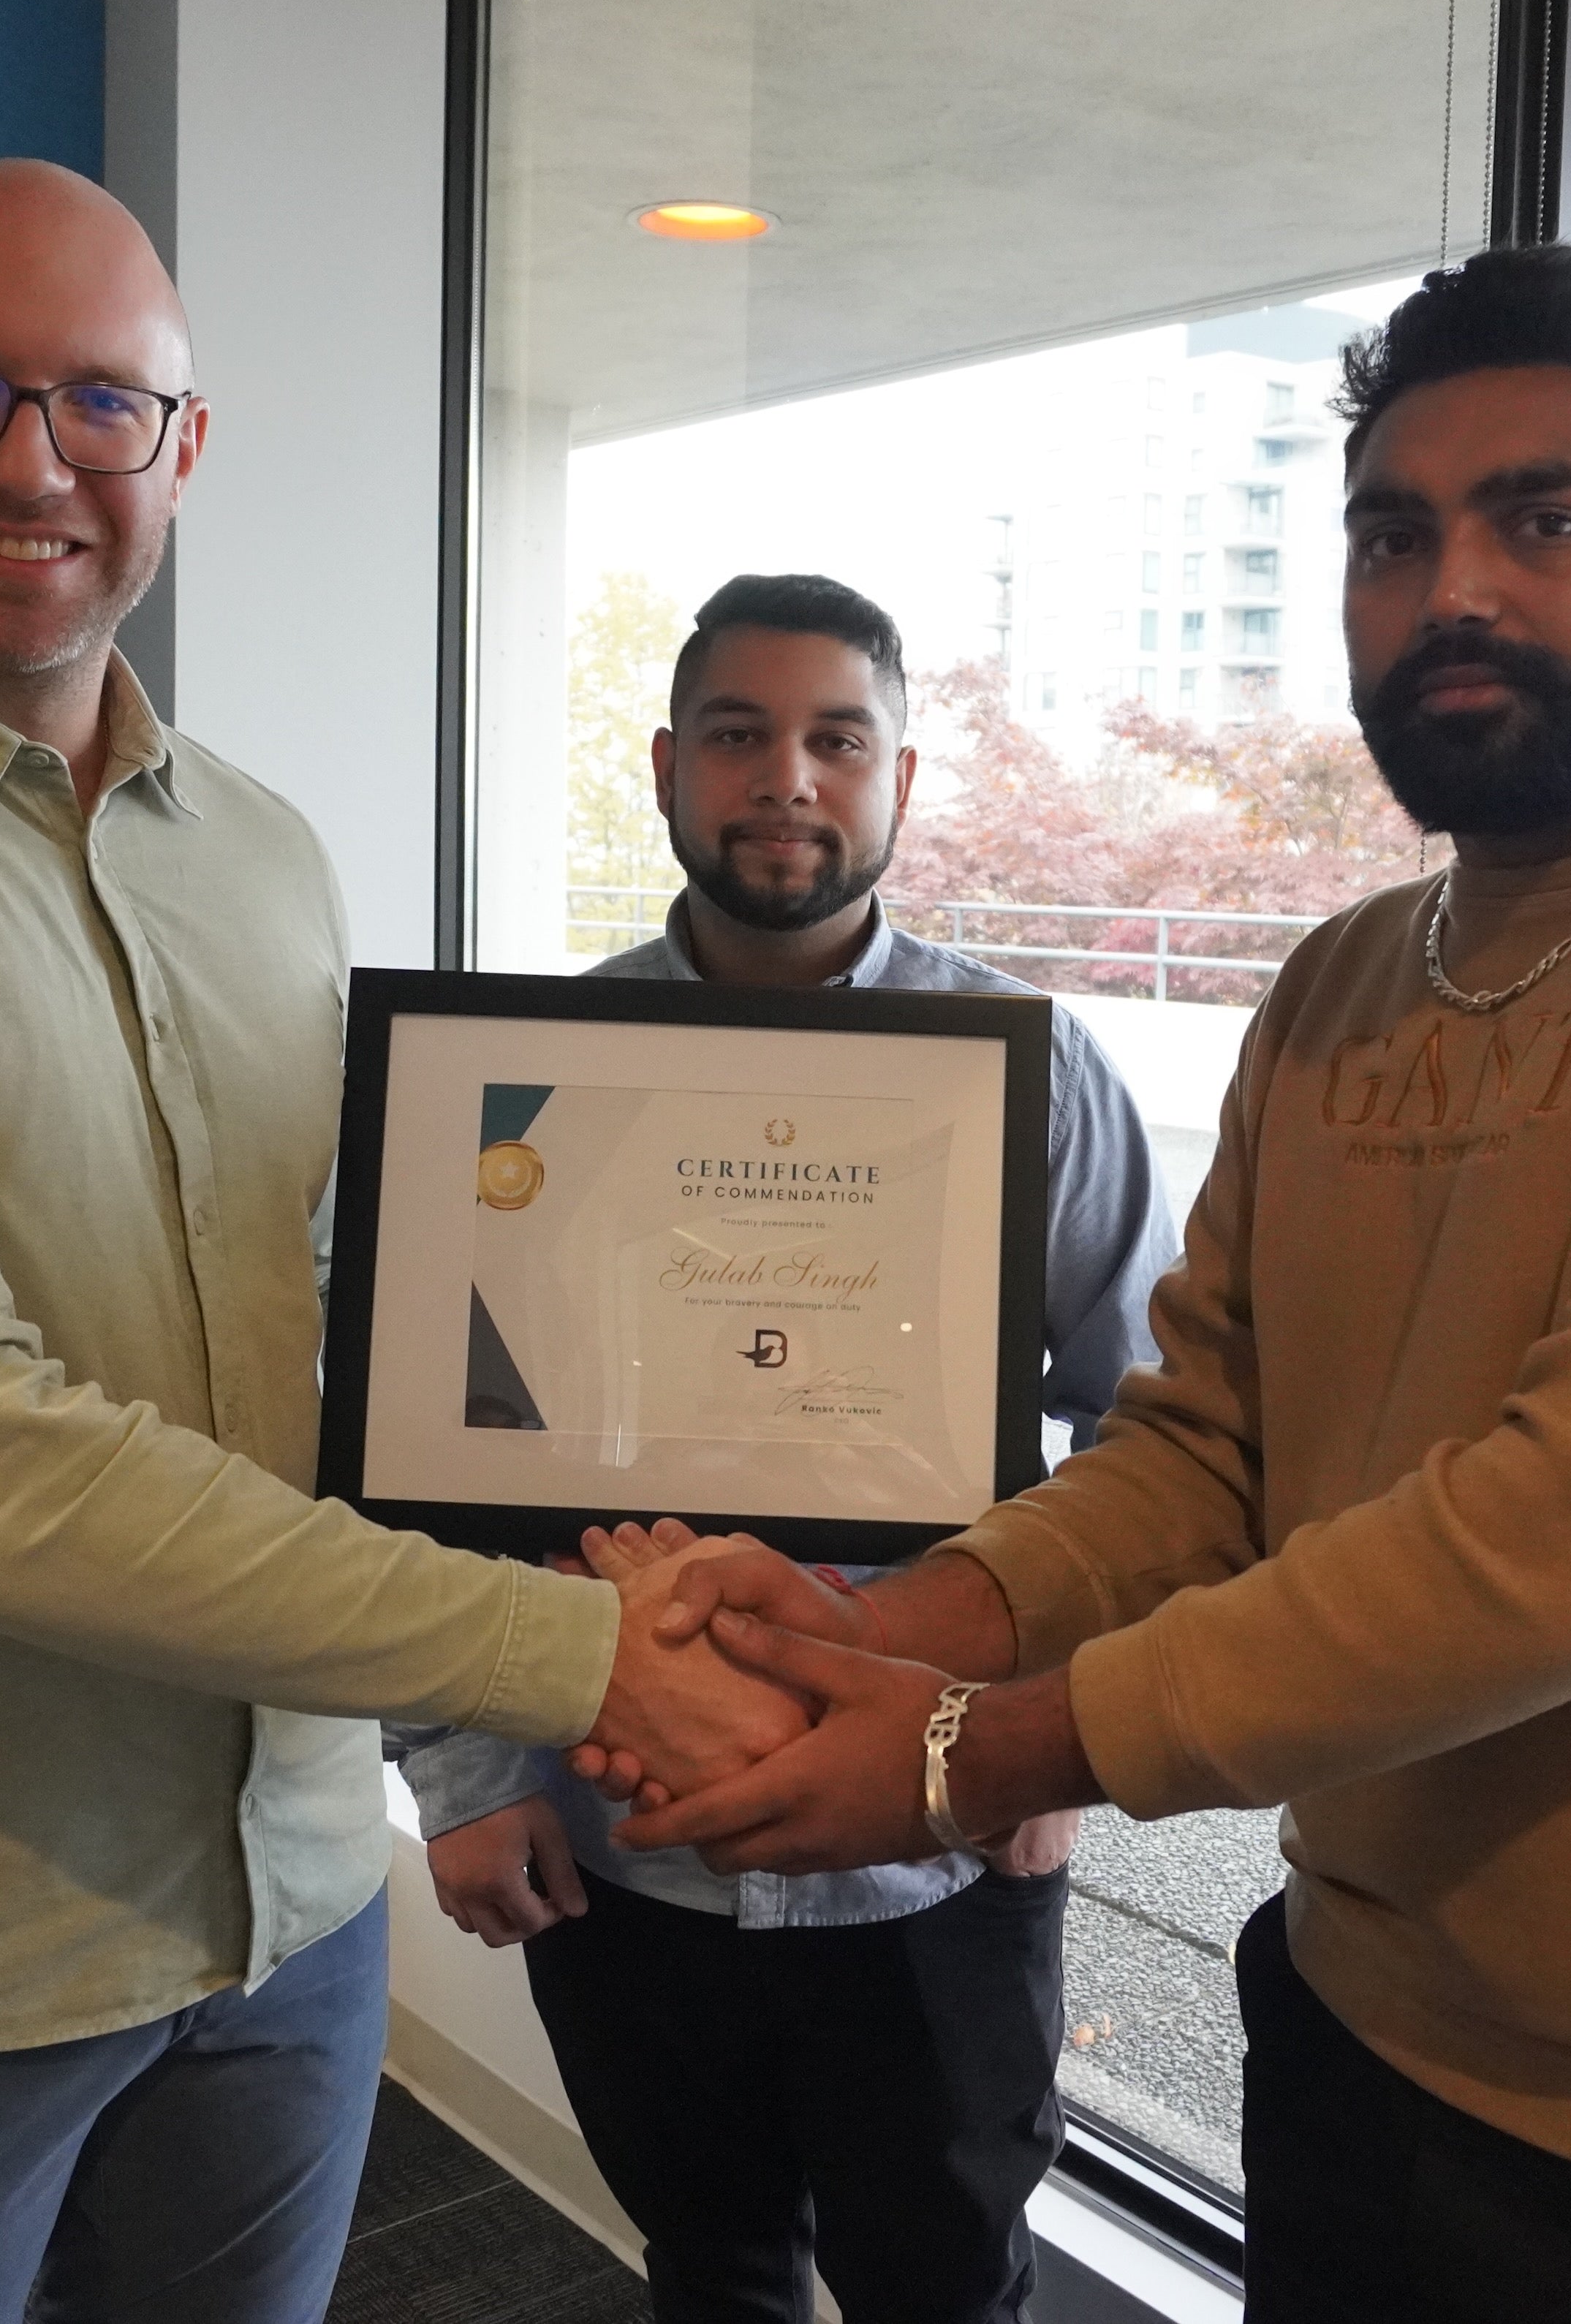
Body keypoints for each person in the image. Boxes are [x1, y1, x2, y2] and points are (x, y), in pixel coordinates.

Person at [586, 248, 1571, 2322]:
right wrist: (886, 1627)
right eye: (1396, 535)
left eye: (1547, 518)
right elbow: (1202, 1445)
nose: (1453, 588)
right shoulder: (1346, 981)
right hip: (1363, 2016)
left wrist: (975, 1752)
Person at [0, 159, 795, 2324]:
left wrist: (613, 1511)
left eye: (105, 402)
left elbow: (338, 1351)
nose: (34, 460)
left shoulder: (266, 859)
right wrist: (588, 1655)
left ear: (183, 449)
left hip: (291, 1906)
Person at [403, 572, 1176, 2324]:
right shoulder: (526, 1086)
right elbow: (432, 1466)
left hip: (938, 1838)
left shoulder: (1035, 1079)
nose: (786, 781)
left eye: (837, 739)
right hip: (618, 1839)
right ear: (669, 766)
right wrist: (461, 1774)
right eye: (740, 737)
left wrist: (1056, 1752)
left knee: (945, 2283)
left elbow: (1152, 1435)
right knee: (713, 2268)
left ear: (902, 776)